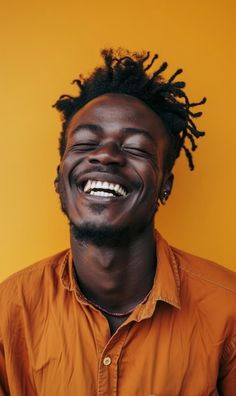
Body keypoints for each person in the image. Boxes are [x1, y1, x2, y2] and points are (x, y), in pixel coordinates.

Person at [0, 49, 235, 396]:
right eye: (85, 143)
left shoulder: (228, 310)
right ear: (60, 179)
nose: (106, 155)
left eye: (136, 148)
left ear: (164, 186)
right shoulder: (8, 311)